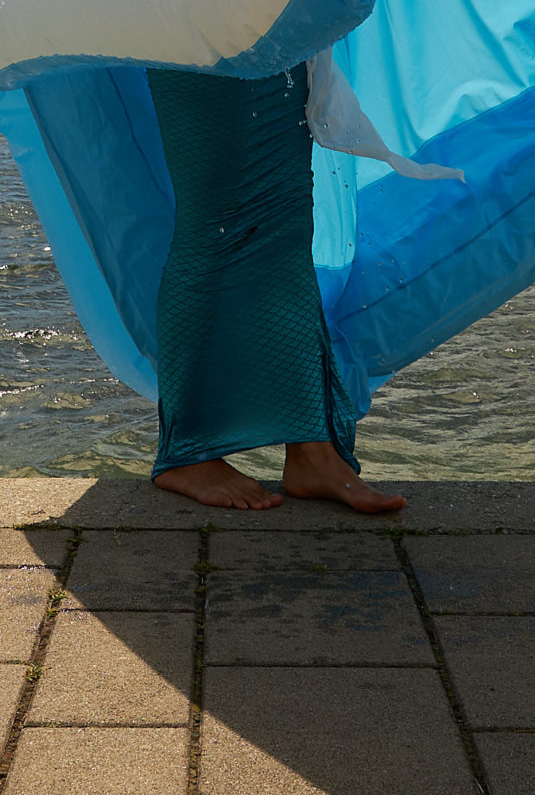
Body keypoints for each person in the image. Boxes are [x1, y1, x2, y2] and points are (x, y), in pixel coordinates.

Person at [142, 56, 458, 513]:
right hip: (190, 13)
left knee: (283, 224)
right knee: (214, 223)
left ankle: (313, 451)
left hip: (274, 17)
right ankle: (187, 450)